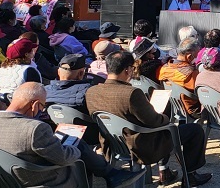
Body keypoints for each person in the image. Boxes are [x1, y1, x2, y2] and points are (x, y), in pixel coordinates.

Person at [0, 82, 145, 188]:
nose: (41, 111)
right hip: (43, 180)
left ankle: (112, 175)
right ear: (34, 105)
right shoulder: (34, 128)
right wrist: (72, 148)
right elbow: (64, 158)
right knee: (79, 152)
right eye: (42, 106)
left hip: (7, 179)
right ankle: (112, 175)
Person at [86, 51, 212, 186]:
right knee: (194, 129)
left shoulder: (91, 92)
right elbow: (154, 121)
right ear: (128, 70)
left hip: (114, 143)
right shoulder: (131, 93)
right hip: (143, 145)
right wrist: (165, 118)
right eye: (133, 68)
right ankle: (190, 176)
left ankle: (166, 171)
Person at [158, 37, 202, 118]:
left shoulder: (164, 68)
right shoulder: (191, 73)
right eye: (197, 55)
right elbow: (200, 91)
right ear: (189, 56)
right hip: (191, 110)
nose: (198, 58)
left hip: (173, 107)